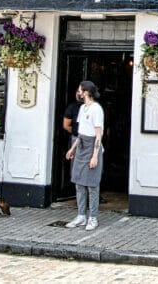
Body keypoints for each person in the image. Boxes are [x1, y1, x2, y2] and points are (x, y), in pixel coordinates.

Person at [65, 80, 104, 231]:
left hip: (92, 147)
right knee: (79, 183)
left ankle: (93, 217)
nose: (78, 92)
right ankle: (81, 215)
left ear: (86, 92)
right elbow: (81, 133)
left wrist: (95, 156)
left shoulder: (96, 109)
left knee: (92, 185)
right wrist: (73, 148)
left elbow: (98, 135)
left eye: (80, 90)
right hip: (81, 147)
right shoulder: (82, 108)